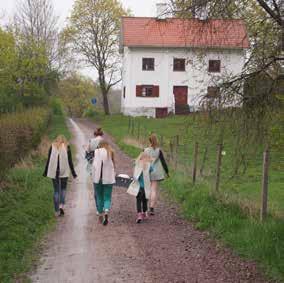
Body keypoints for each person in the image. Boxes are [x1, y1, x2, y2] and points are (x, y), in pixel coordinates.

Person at [43, 135, 77, 216]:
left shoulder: (52, 146)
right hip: (64, 171)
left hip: (54, 171)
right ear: (64, 140)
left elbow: (48, 160)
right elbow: (70, 161)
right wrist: (73, 173)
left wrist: (45, 171)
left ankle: (56, 210)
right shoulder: (66, 146)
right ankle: (61, 206)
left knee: (56, 191)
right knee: (63, 189)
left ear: (56, 140)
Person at [144, 133, 169, 215]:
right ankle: (151, 208)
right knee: (153, 190)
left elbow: (142, 161)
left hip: (147, 171)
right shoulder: (159, 150)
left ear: (149, 140)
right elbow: (163, 162)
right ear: (156, 140)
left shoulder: (145, 150)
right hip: (156, 173)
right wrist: (167, 172)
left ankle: (144, 207)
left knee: (147, 189)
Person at [92, 140, 115, 225]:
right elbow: (113, 165)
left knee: (99, 196)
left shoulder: (96, 152)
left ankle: (100, 213)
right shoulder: (110, 152)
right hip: (108, 178)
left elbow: (94, 165)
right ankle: (106, 211)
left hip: (97, 178)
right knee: (107, 197)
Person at [127, 152, 153, 223]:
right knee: (145, 200)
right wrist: (149, 162)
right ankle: (144, 213)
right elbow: (152, 170)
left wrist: (138, 161)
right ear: (147, 158)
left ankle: (139, 215)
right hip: (146, 187)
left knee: (138, 201)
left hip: (138, 187)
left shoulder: (137, 164)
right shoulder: (149, 166)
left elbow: (134, 164)